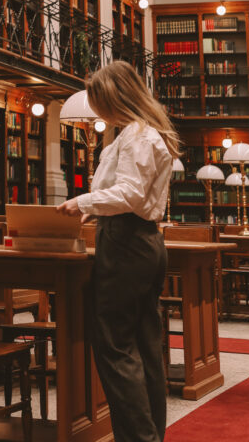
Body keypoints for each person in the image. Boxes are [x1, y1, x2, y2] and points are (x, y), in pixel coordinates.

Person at [57, 61, 179, 442]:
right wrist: (92, 208)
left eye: (100, 102)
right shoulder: (139, 134)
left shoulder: (136, 136)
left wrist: (83, 203)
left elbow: (129, 195)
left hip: (127, 242)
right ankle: (149, 436)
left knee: (113, 346)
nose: (98, 112)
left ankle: (140, 438)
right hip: (139, 241)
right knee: (143, 346)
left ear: (115, 98)